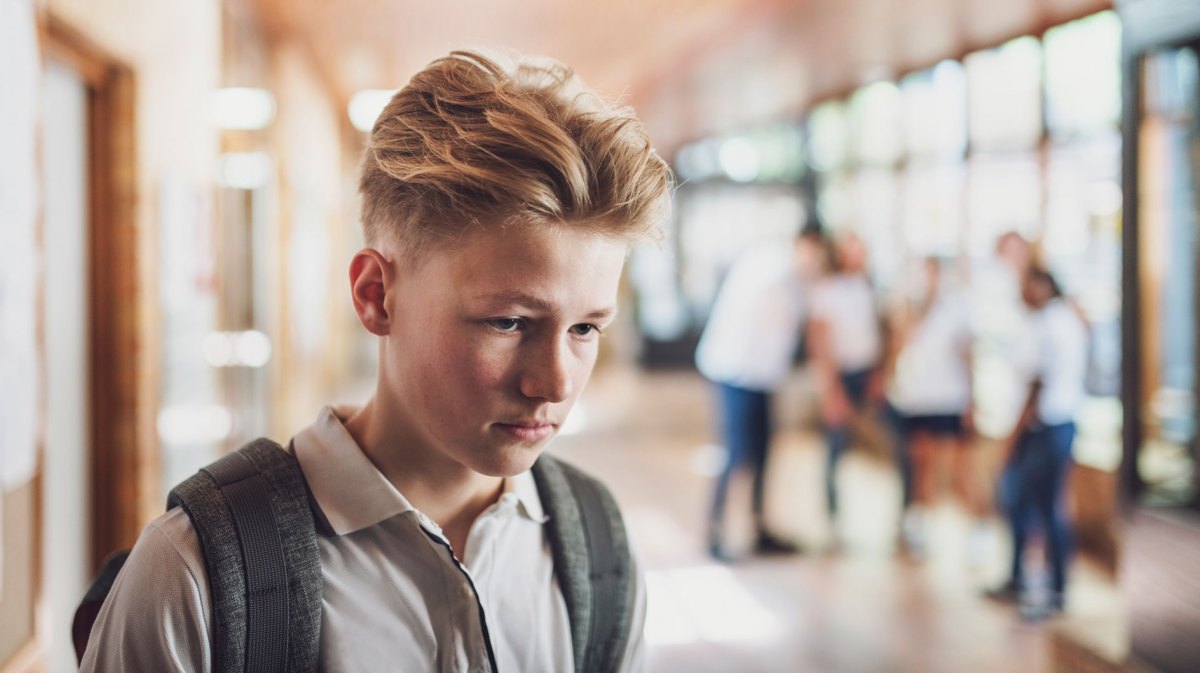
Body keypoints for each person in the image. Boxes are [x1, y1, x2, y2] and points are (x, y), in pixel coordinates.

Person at [80, 49, 672, 671]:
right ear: (375, 295)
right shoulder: (197, 577)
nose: (553, 382)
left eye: (585, 328)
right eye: (508, 322)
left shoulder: (597, 547)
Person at [695, 228, 826, 561]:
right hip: (736, 374)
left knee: (765, 452)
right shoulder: (769, 269)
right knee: (735, 453)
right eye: (811, 254)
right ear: (800, 245)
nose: (813, 263)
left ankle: (759, 528)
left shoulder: (796, 279)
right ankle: (714, 531)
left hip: (762, 378)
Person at [992, 266, 1087, 620]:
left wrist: (1013, 438)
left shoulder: (1051, 321)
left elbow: (1037, 383)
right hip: (1055, 424)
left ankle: (1052, 589)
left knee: (1043, 508)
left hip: (1047, 427)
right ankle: (1028, 580)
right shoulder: (1060, 318)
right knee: (1031, 506)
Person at [886, 257, 984, 560]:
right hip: (916, 398)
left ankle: (977, 533)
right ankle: (919, 528)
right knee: (921, 465)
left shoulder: (956, 309)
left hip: (949, 398)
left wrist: (971, 399)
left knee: (958, 470)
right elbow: (896, 350)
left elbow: (967, 355)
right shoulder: (908, 312)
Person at [807, 231, 884, 544]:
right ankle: (833, 520)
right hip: (841, 376)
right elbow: (820, 341)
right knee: (835, 448)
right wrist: (832, 389)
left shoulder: (867, 287)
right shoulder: (826, 291)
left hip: (866, 374)